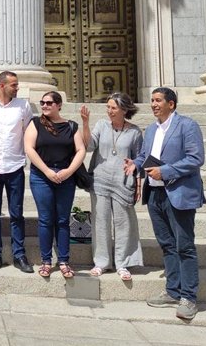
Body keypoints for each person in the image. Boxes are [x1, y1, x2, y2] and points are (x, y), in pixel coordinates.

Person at [124, 87, 206, 321]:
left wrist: (166, 171)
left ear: (172, 103)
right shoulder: (151, 129)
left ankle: (188, 298)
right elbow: (145, 156)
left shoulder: (187, 126)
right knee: (167, 245)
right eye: (151, 100)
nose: (153, 104)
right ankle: (172, 290)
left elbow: (196, 158)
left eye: (158, 100)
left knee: (185, 246)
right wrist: (135, 165)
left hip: (178, 194)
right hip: (155, 195)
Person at [80, 92, 144, 281]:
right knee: (101, 222)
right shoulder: (101, 125)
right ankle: (101, 262)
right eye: (108, 107)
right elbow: (89, 145)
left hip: (123, 182)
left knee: (124, 223)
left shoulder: (134, 132)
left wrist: (138, 184)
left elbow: (139, 159)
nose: (109, 111)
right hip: (100, 180)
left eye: (113, 108)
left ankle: (123, 263)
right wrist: (85, 123)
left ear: (124, 109)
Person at [24, 91, 86, 278]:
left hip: (65, 176)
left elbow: (81, 150)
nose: (44, 106)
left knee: (62, 220)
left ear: (59, 105)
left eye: (49, 103)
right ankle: (46, 261)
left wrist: (68, 171)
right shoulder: (35, 123)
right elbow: (29, 148)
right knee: (45, 219)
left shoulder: (71, 126)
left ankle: (64, 261)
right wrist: (47, 171)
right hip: (42, 176)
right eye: (42, 102)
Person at [0, 71, 34, 273]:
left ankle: (19, 255)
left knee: (17, 213)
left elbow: (29, 132)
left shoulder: (23, 106)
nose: (17, 88)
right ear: (1, 85)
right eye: (14, 85)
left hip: (15, 166)